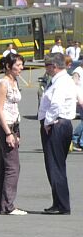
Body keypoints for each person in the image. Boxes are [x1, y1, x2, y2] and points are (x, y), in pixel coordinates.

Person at [38, 52, 81, 214]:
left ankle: (62, 205)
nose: (46, 69)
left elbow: (56, 104)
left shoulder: (60, 82)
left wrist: (48, 122)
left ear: (54, 66)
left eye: (47, 66)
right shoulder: (63, 80)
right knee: (56, 166)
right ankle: (58, 202)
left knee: (55, 167)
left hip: (56, 125)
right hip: (62, 124)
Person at [0, 53, 25, 215]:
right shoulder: (3, 83)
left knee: (4, 167)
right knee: (13, 167)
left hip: (14, 125)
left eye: (21, 65)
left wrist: (16, 130)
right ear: (8, 66)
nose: (21, 68)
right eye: (18, 65)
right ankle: (8, 205)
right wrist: (8, 133)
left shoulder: (14, 81)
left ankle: (2, 203)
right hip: (5, 127)